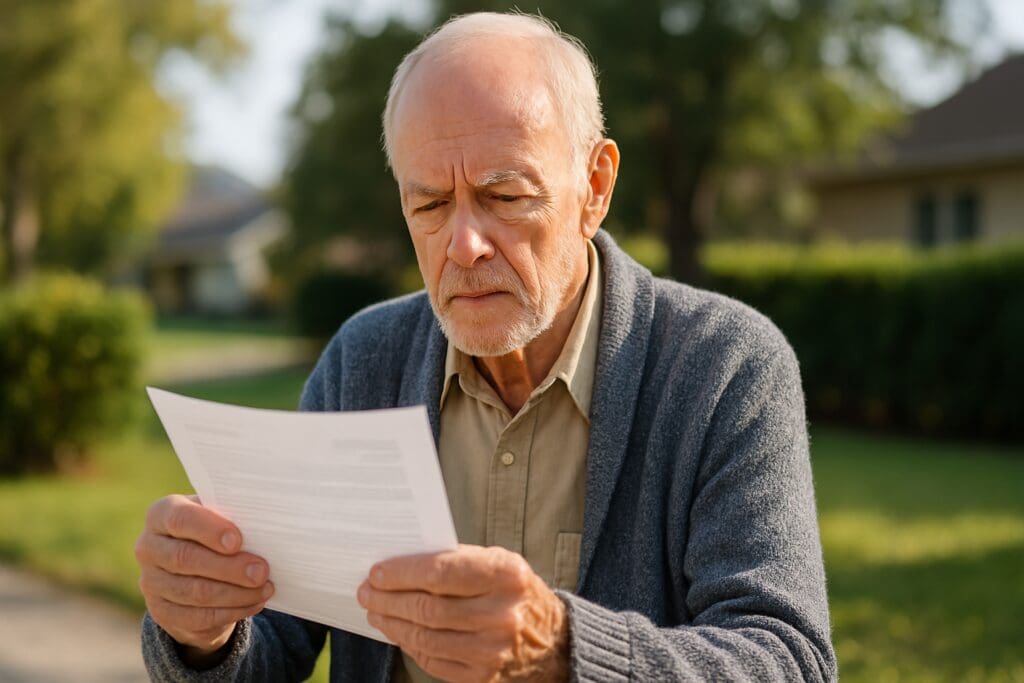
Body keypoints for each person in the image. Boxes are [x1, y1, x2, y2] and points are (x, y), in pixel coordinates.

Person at [136, 11, 837, 682]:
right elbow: (273, 647)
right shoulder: (362, 360)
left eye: (504, 195)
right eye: (430, 205)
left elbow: (789, 660)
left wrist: (562, 650)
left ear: (594, 186)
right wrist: (202, 633)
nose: (463, 246)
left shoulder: (726, 366)